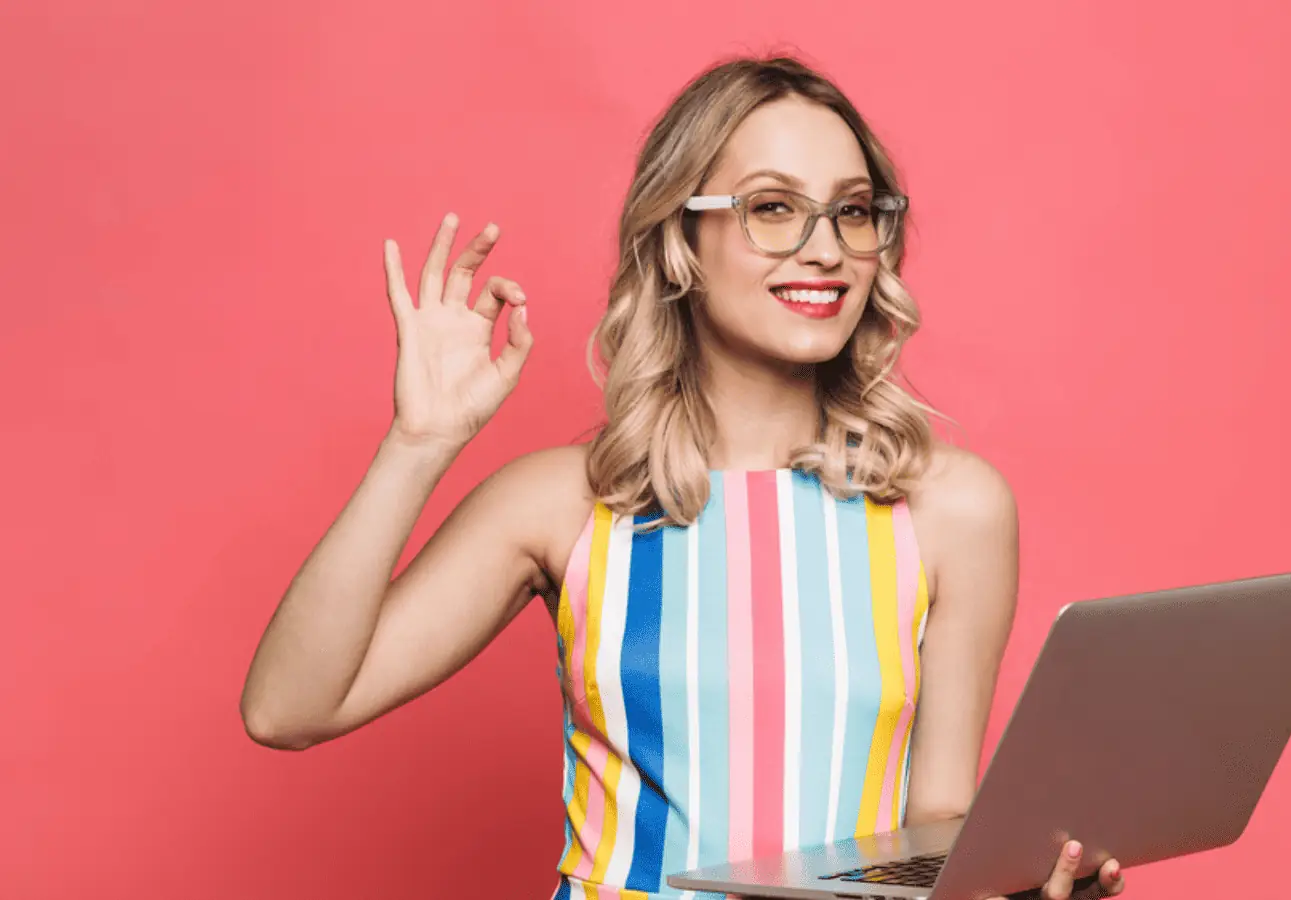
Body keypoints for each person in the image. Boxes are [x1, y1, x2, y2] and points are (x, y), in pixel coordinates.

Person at [239, 55, 1126, 900]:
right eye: (773, 208)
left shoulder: (951, 508)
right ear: (680, 241)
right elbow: (288, 709)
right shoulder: (559, 504)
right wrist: (419, 441)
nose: (826, 249)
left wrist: (1019, 881)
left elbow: (937, 819)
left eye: (854, 212)